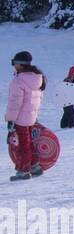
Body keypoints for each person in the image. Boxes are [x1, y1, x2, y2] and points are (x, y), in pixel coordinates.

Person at [6, 51, 46, 180]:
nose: (13, 66)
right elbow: (37, 99)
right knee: (29, 142)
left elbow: (15, 102)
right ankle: (34, 166)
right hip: (30, 117)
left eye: (14, 63)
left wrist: (11, 119)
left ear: (20, 65)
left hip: (20, 118)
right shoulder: (37, 78)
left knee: (22, 144)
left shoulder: (18, 81)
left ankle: (23, 170)